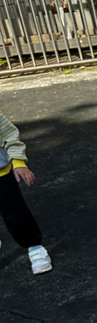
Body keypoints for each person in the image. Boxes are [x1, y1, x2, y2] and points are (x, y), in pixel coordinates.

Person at [0, 109, 52, 273]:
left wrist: (18, 162)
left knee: (15, 213)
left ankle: (34, 245)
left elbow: (9, 135)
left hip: (1, 176)